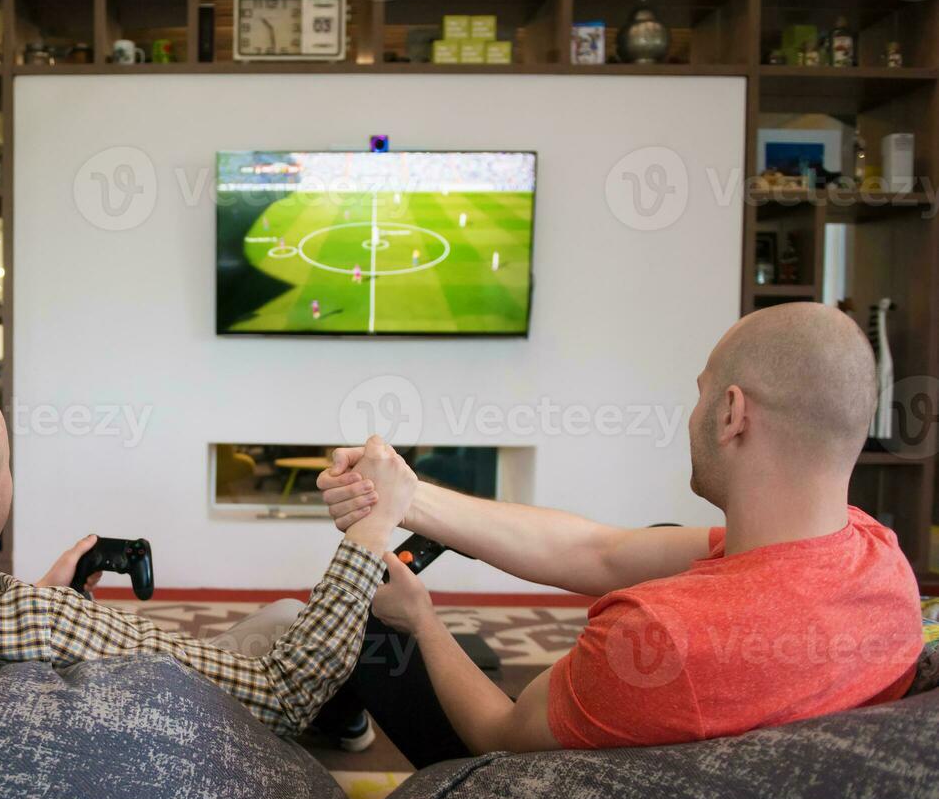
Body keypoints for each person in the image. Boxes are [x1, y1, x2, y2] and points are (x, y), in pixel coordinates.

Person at [314, 302, 924, 767]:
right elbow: (601, 552)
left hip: (518, 791)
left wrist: (419, 617)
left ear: (734, 413)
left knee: (372, 613)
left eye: (701, 392)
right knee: (655, 541)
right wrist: (407, 496)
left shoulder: (659, 633)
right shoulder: (879, 560)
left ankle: (336, 714)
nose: (692, 412)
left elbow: (499, 735)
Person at [0, 376, 417, 740]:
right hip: (199, 744)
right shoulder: (48, 623)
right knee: (288, 622)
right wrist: (371, 529)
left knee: (281, 617)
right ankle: (347, 734)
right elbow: (283, 695)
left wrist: (37, 591)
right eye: (7, 467)